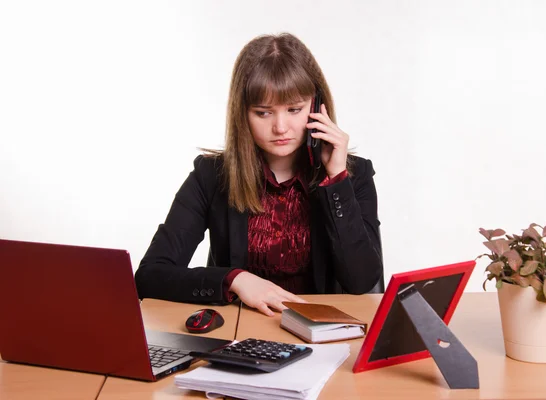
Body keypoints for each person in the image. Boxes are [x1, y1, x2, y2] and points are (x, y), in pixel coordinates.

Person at [135, 32, 383, 317]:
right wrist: (234, 279)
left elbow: (363, 282)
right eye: (263, 113)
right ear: (243, 114)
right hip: (241, 333)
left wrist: (336, 178)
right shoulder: (211, 176)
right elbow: (150, 276)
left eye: (294, 109)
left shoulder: (353, 174)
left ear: (316, 108)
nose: (280, 127)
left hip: (322, 336)